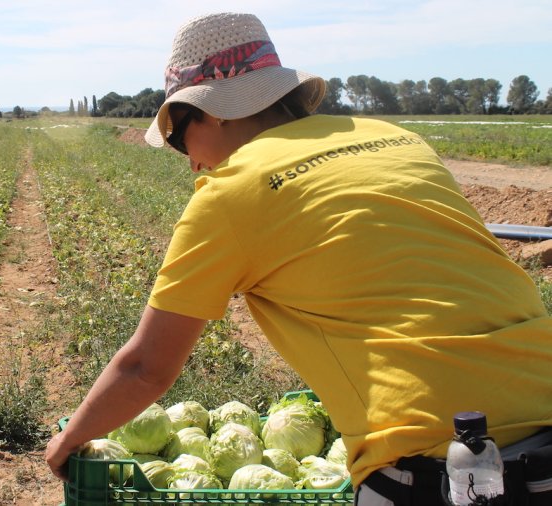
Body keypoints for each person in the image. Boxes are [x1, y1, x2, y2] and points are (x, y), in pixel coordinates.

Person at [45, 12, 552, 505]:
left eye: (178, 135)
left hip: (440, 458)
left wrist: (69, 444)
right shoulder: (399, 139)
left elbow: (146, 369)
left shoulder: (231, 194)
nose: (190, 160)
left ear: (214, 108)